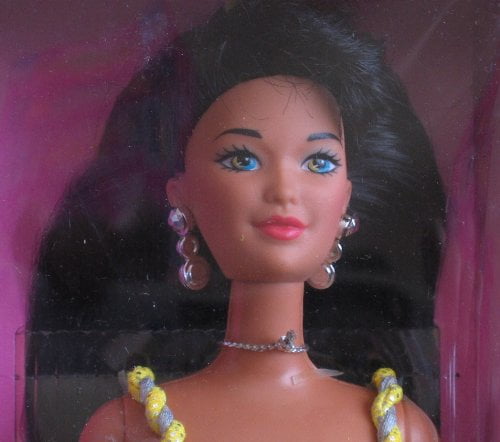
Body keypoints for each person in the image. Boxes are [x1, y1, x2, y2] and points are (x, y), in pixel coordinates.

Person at [77, 0, 443, 440]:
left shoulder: (400, 426)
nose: (284, 190)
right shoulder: (127, 428)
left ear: (345, 199)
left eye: (319, 162)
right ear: (182, 194)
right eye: (242, 159)